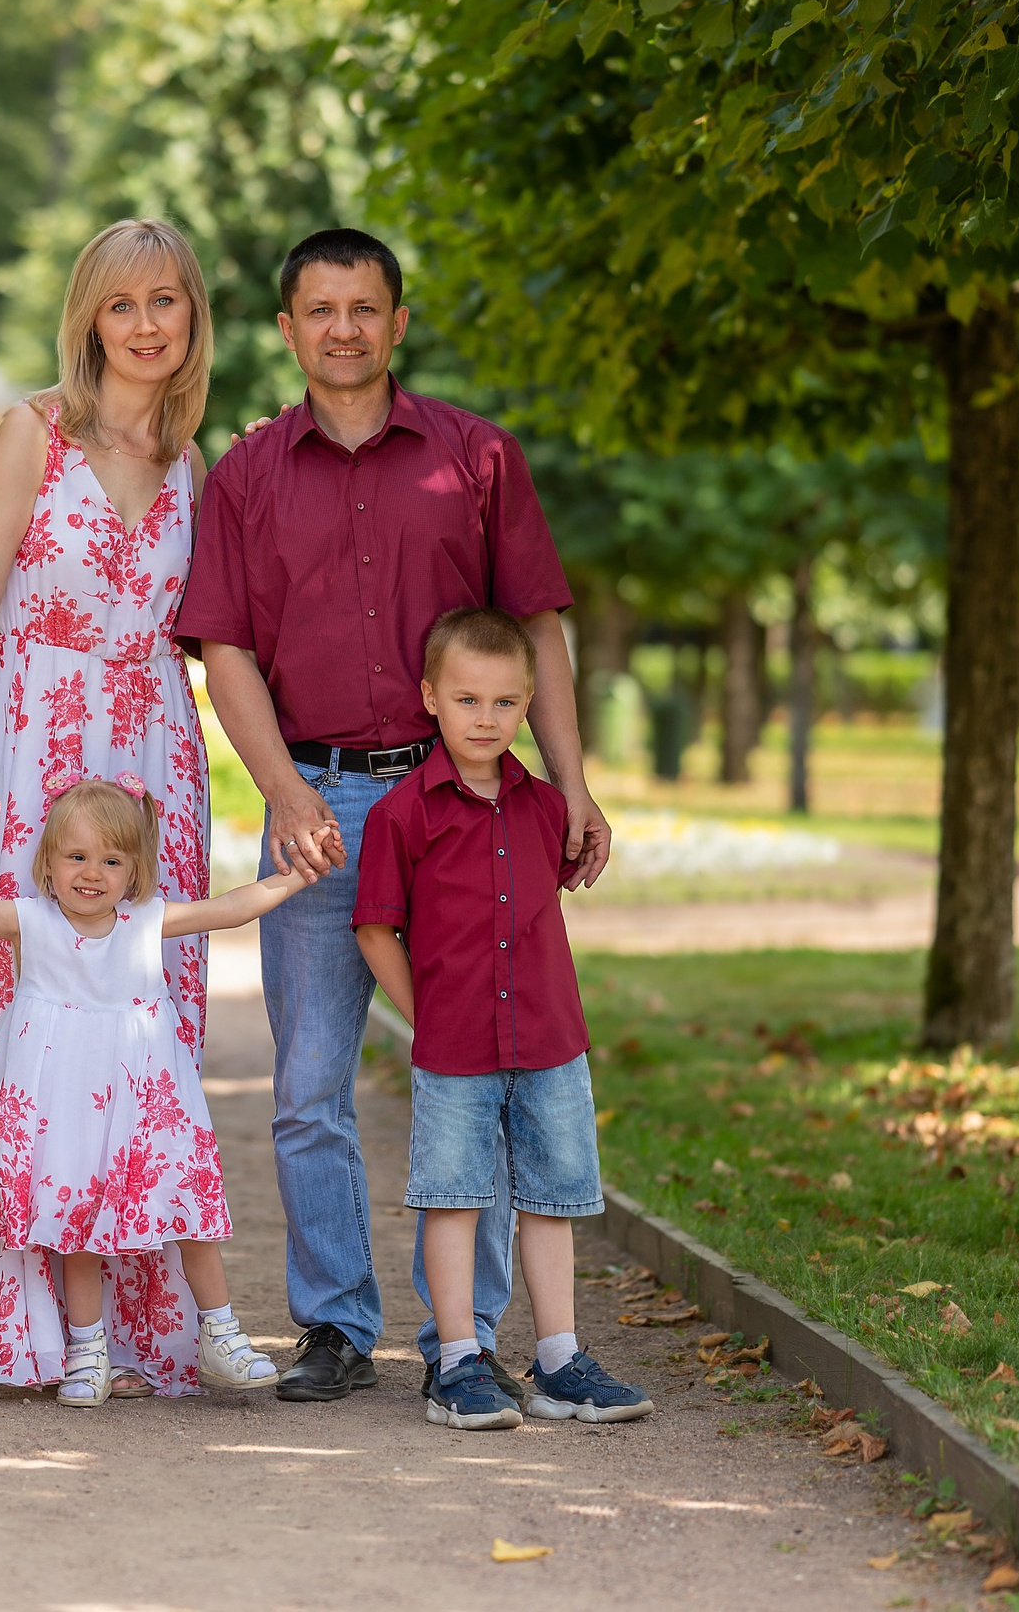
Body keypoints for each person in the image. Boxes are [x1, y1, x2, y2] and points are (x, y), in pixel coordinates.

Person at [176, 227, 613, 1403]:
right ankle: (332, 1324)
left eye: (364, 307)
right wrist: (283, 790)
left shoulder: (475, 461)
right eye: (319, 310)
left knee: (477, 1065)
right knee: (310, 1082)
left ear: (398, 321)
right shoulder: (247, 474)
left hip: (456, 804)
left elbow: (538, 634)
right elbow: (226, 654)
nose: (343, 329)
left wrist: (568, 781)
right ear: (287, 329)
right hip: (312, 802)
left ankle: (464, 1342)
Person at [0, 219, 219, 1396]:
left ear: (193, 317)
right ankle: (30, 1322)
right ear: (89, 318)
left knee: (148, 1033)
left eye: (166, 302)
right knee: (30, 1029)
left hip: (156, 762)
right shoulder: (31, 433)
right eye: (121, 304)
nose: (146, 325)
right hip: (31, 748)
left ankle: (143, 1330)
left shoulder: (195, 459)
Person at [352, 608, 652, 1430]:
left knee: (553, 1197)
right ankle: (457, 1362)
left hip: (552, 1040)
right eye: (468, 699)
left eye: (505, 703)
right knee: (453, 1196)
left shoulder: (548, 809)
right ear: (430, 698)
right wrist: (427, 1017)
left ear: (528, 705)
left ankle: (558, 1361)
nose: (486, 719)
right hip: (455, 1051)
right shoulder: (401, 815)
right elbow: (377, 927)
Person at [0, 777, 302, 1403]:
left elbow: (231, 908)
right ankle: (88, 1348)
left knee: (186, 1207)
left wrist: (294, 878)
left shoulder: (146, 921)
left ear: (135, 870)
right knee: (77, 1220)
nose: (92, 873)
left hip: (145, 1096)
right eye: (76, 857)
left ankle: (219, 1329)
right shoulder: (34, 921)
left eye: (111, 860)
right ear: (48, 862)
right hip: (64, 1101)